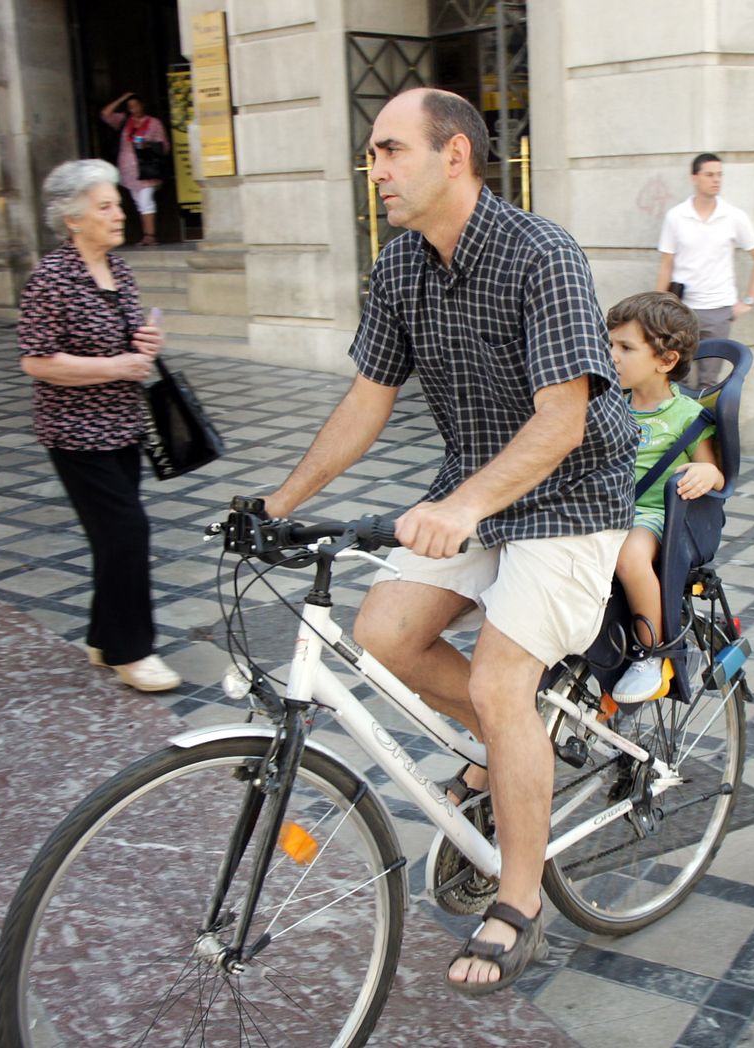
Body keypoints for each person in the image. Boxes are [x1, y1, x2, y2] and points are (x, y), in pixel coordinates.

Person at [262, 88, 633, 995]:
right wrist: (277, 504)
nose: (376, 170)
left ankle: (518, 902)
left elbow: (562, 421)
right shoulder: (400, 268)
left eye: (390, 150)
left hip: (572, 494)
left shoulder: (539, 254)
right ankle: (518, 749)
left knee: (501, 681)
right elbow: (366, 401)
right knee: (385, 639)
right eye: (373, 154)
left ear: (455, 154)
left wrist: (464, 508)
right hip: (475, 486)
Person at [18, 159, 180, 693]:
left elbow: (128, 335)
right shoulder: (51, 278)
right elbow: (37, 361)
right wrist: (115, 368)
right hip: (76, 435)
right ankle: (131, 653)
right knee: (127, 533)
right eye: (105, 206)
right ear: (72, 217)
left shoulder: (119, 269)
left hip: (123, 429)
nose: (119, 214)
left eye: (118, 203)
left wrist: (145, 343)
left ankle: (102, 637)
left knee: (112, 539)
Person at [606, 292, 722, 703]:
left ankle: (653, 652)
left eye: (625, 347)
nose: (612, 355)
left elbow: (715, 473)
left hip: (653, 516)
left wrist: (707, 472)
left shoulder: (687, 417)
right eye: (610, 344)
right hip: (607, 507)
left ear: (666, 360)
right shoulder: (611, 401)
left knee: (630, 557)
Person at [655, 153, 754, 340]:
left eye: (719, 175)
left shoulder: (733, 216)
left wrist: (749, 300)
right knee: (678, 368)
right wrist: (657, 306)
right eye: (709, 175)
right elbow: (666, 265)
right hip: (681, 309)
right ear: (694, 178)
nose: (716, 180)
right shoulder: (676, 217)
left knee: (711, 370)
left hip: (719, 310)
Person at [99, 91, 168, 247]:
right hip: (128, 170)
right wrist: (122, 98)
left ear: (142, 105)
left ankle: (150, 235)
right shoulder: (124, 121)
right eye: (130, 106)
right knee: (139, 202)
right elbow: (105, 114)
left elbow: (164, 146)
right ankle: (146, 235)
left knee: (146, 201)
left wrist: (148, 144)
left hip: (147, 168)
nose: (133, 109)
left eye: (136, 105)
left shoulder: (154, 123)